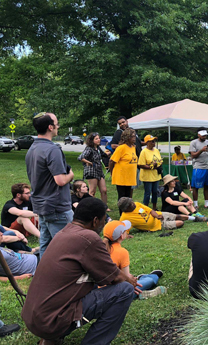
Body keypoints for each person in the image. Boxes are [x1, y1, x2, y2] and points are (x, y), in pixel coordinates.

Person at [21, 198, 139, 345]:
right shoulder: (89, 238)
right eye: (103, 221)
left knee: (92, 283)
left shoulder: (63, 232)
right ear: (95, 220)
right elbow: (115, 278)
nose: (103, 225)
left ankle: (50, 339)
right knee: (125, 290)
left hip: (33, 317)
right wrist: (131, 280)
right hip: (51, 321)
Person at [25, 112, 74, 259]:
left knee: (46, 246)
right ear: (50, 127)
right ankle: (64, 279)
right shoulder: (52, 149)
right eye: (56, 123)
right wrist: (71, 175)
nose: (58, 126)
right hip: (57, 207)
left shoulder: (32, 148)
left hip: (42, 206)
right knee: (67, 247)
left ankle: (43, 277)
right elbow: (60, 180)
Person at [103, 220, 167, 300]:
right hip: (117, 292)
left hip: (100, 292)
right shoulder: (122, 252)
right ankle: (148, 280)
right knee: (150, 280)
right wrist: (132, 279)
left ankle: (142, 288)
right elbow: (126, 278)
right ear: (121, 236)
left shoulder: (99, 249)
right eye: (125, 231)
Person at [118, 197, 206, 233]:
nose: (133, 204)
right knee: (180, 223)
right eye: (130, 204)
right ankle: (189, 219)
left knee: (177, 216)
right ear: (126, 208)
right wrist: (126, 235)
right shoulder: (125, 218)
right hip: (158, 225)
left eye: (131, 202)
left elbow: (150, 210)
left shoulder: (137, 204)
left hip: (159, 215)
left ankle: (195, 218)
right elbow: (123, 230)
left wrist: (157, 215)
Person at [110, 116, 145, 192]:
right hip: (123, 168)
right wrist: (125, 147)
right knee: (123, 193)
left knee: (131, 188)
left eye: (123, 122)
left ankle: (129, 202)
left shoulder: (132, 131)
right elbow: (112, 146)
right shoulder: (119, 133)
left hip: (134, 161)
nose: (122, 124)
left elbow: (138, 142)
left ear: (127, 121)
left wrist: (147, 142)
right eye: (120, 123)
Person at [109, 128, 138, 208]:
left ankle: (127, 213)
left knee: (128, 197)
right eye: (132, 136)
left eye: (135, 136)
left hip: (129, 177)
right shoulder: (121, 148)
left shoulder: (133, 147)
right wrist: (112, 173)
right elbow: (111, 161)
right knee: (122, 197)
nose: (134, 138)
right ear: (127, 137)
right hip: (121, 177)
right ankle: (122, 214)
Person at [78, 132, 109, 206]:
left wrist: (111, 151)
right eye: (96, 139)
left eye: (99, 138)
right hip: (91, 171)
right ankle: (91, 207)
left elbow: (104, 155)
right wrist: (88, 162)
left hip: (99, 171)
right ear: (92, 140)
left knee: (104, 190)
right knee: (92, 191)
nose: (99, 140)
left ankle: (104, 206)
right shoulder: (89, 149)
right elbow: (80, 157)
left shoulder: (97, 148)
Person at [188, 128, 208, 210]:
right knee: (196, 186)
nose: (204, 137)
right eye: (203, 135)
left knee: (207, 185)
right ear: (198, 135)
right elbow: (193, 155)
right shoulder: (193, 143)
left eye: (205, 135)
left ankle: (207, 204)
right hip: (198, 167)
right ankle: (195, 204)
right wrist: (201, 150)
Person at [138, 134, 163, 210]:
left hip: (156, 175)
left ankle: (154, 208)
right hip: (147, 176)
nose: (154, 143)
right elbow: (141, 164)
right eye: (152, 141)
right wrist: (151, 167)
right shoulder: (144, 152)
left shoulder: (156, 150)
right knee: (148, 193)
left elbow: (159, 159)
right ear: (147, 143)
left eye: (154, 141)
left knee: (155, 192)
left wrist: (159, 163)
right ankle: (146, 208)